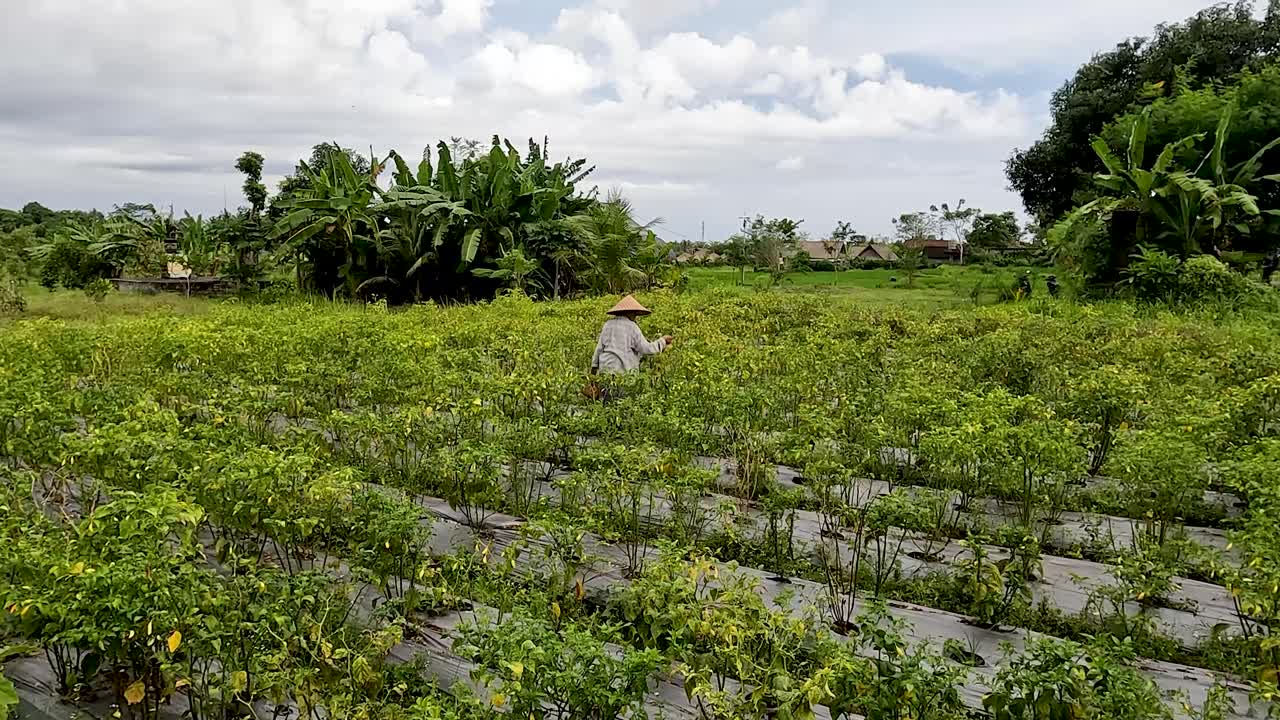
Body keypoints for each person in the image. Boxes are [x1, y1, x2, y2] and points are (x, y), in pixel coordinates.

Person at [590, 295, 673, 375]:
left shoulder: (608, 325)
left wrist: (594, 368)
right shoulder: (632, 327)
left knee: (606, 389)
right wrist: (662, 341)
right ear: (629, 313)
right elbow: (646, 349)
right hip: (623, 373)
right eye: (634, 314)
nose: (635, 316)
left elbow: (599, 348)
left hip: (605, 369)